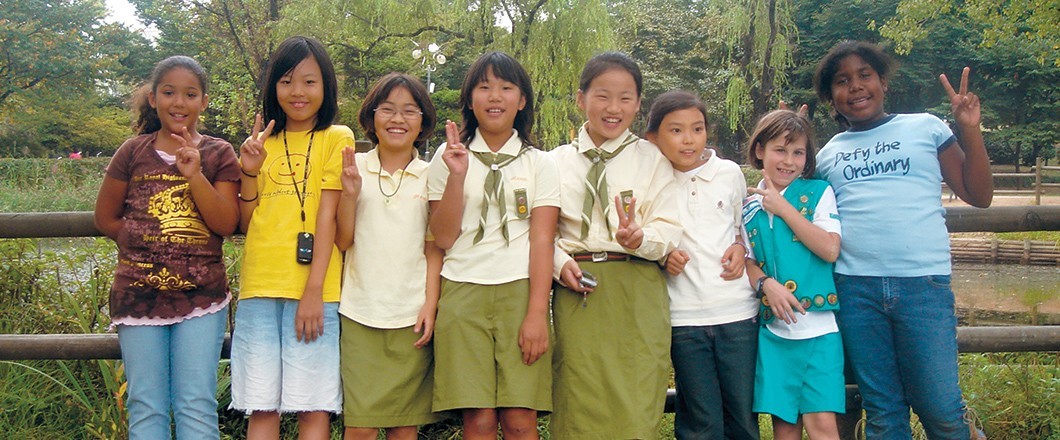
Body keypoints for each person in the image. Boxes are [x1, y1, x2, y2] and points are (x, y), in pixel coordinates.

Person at [812, 40, 992, 439]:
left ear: (883, 82)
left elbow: (979, 196)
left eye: (865, 75)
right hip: (855, 290)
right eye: (842, 81)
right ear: (831, 98)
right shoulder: (827, 155)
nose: (855, 87)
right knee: (883, 412)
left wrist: (969, 128)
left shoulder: (925, 126)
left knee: (942, 408)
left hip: (922, 287)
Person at [94, 55, 239, 439]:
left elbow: (226, 223)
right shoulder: (132, 152)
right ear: (154, 98)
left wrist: (194, 175)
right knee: (146, 404)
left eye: (190, 94)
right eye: (169, 92)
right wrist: (136, 242)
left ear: (204, 101)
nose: (179, 103)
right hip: (138, 298)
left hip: (201, 299)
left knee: (195, 403)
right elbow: (105, 217)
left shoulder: (219, 153)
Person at [549, 51, 682, 439]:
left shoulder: (652, 159)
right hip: (579, 289)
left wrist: (641, 238)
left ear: (638, 104)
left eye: (625, 98)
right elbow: (537, 233)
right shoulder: (553, 163)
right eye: (602, 95)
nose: (613, 108)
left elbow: (669, 226)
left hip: (637, 287)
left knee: (637, 393)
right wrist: (559, 264)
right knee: (578, 396)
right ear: (581, 98)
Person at [427, 51, 559, 440]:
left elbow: (542, 239)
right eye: (483, 87)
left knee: (521, 420)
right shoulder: (447, 155)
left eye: (506, 87)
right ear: (470, 99)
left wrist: (538, 313)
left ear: (522, 100)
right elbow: (444, 238)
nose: (494, 96)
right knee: (478, 419)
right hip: (462, 291)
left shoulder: (539, 163)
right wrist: (456, 176)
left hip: (520, 292)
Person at [231, 36, 352, 439]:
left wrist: (314, 290)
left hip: (315, 287)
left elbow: (329, 217)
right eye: (286, 81)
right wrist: (249, 169)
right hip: (260, 284)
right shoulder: (263, 140)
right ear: (273, 87)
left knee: (311, 404)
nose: (297, 92)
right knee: (261, 403)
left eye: (309, 82)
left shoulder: (337, 137)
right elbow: (248, 222)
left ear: (326, 87)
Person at [335, 73, 445, 440]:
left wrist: (430, 303)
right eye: (388, 110)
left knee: (404, 428)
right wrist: (349, 194)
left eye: (409, 111)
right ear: (372, 117)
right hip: (360, 312)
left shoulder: (431, 175)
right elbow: (343, 240)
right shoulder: (354, 167)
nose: (398, 119)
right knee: (360, 429)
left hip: (410, 317)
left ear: (423, 122)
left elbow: (434, 247)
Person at [645, 90, 759, 440]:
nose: (688, 139)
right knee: (700, 420)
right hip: (684, 318)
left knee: (742, 414)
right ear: (653, 138)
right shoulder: (651, 179)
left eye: (697, 129)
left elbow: (745, 228)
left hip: (737, 313)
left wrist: (742, 249)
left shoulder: (727, 173)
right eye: (675, 130)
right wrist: (664, 256)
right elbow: (645, 236)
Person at [742, 109, 844, 440]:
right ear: (760, 151)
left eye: (798, 152)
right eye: (780, 150)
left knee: (822, 426)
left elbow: (830, 249)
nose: (788, 161)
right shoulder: (747, 207)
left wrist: (784, 208)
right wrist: (765, 283)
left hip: (818, 331)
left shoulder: (818, 192)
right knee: (784, 429)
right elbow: (746, 259)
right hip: (774, 333)